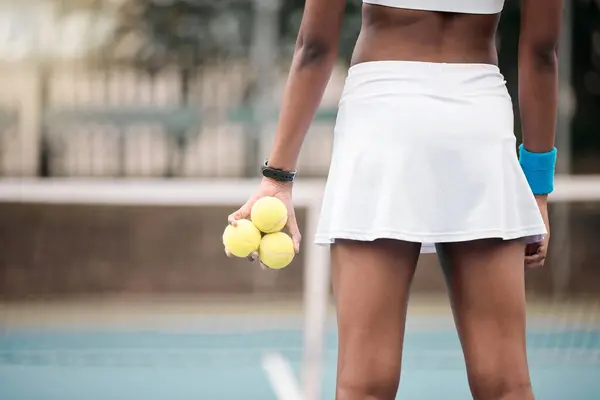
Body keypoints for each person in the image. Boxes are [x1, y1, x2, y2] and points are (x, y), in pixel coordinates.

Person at [227, 0, 562, 398]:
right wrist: (537, 190)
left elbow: (314, 45)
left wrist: (277, 179)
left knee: (363, 386)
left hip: (381, 120)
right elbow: (541, 53)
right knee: (506, 385)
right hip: (479, 123)